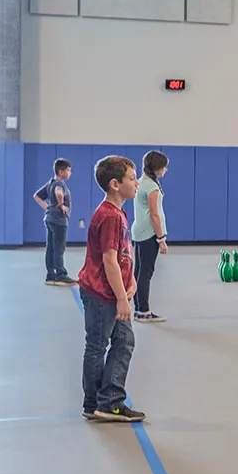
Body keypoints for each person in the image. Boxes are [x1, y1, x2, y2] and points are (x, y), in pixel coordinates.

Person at [78, 156, 144, 422]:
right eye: (131, 178)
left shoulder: (119, 214)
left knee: (124, 341)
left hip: (113, 291)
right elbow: (109, 259)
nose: (136, 182)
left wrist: (131, 282)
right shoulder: (108, 216)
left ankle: (107, 400)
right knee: (97, 345)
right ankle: (99, 402)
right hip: (101, 293)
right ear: (115, 184)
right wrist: (121, 299)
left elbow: (123, 256)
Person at [132, 150, 169, 323]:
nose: (165, 169)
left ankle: (138, 308)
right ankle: (144, 311)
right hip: (149, 233)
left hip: (139, 231)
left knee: (139, 271)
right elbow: (154, 215)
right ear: (156, 168)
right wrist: (161, 239)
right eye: (163, 166)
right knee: (146, 272)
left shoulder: (141, 183)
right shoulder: (152, 187)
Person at [33, 158, 76, 286]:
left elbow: (36, 195)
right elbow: (59, 193)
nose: (70, 173)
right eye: (68, 170)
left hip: (50, 219)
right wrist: (61, 204)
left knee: (50, 248)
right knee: (59, 248)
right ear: (61, 171)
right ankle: (61, 275)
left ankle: (50, 275)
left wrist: (47, 207)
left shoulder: (50, 183)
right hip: (58, 221)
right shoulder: (59, 184)